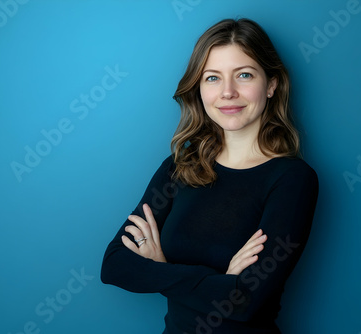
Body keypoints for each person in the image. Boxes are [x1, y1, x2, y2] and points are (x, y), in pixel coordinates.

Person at [101, 18, 319, 334]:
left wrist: (159, 269)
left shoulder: (293, 180)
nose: (228, 92)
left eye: (244, 75)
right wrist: (218, 282)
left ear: (271, 85)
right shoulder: (180, 167)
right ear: (199, 88)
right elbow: (114, 265)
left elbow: (244, 301)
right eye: (212, 78)